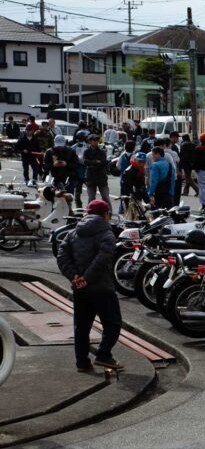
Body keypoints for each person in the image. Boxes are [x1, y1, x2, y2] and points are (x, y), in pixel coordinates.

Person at [56, 199, 123, 374]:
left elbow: (62, 256)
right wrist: (87, 278)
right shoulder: (106, 233)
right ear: (105, 214)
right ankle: (103, 355)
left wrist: (75, 277)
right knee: (113, 323)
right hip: (101, 287)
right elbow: (103, 258)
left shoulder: (72, 233)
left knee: (82, 326)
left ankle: (82, 363)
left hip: (79, 289)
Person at [82, 134, 110, 205]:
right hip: (90, 177)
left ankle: (109, 212)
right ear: (90, 141)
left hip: (101, 176)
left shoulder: (102, 152)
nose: (96, 142)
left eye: (97, 140)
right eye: (94, 140)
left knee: (105, 197)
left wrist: (92, 163)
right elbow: (85, 162)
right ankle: (90, 213)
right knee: (91, 198)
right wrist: (95, 161)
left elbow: (103, 162)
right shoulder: (86, 152)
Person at [71, 130, 89, 207]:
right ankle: (89, 206)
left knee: (78, 191)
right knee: (91, 190)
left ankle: (79, 207)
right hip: (85, 172)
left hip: (77, 172)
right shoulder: (88, 147)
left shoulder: (73, 147)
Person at [177, 133, 197, 199]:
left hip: (185, 163)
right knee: (187, 177)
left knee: (188, 178)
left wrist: (181, 163)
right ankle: (186, 191)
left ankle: (198, 190)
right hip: (191, 163)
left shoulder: (183, 144)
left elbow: (183, 155)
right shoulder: (192, 144)